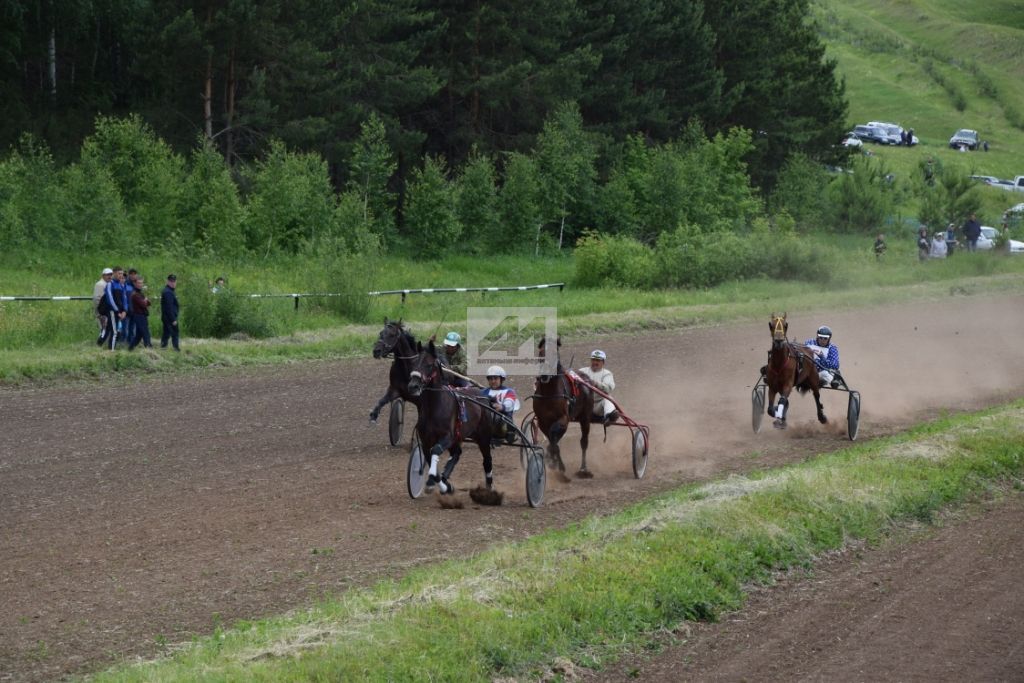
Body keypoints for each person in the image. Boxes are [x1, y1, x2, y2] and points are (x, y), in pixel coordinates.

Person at [481, 365, 520, 449]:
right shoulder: (484, 392)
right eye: (490, 379)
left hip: (503, 421)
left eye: (495, 378)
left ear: (501, 379)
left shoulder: (509, 391)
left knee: (498, 417)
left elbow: (510, 403)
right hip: (486, 420)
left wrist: (502, 407)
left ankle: (507, 434)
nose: (493, 381)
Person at [577, 350, 618, 425]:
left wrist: (596, 384)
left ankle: (609, 416)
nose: (595, 362)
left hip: (597, 406)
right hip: (582, 405)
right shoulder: (582, 371)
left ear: (603, 362)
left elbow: (608, 388)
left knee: (608, 399)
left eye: (598, 360)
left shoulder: (607, 374)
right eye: (593, 360)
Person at [104, 267, 128, 350]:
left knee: (117, 330)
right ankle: (111, 350)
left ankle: (110, 347)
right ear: (114, 274)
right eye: (119, 273)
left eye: (122, 273)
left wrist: (125, 311)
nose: (121, 275)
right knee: (114, 331)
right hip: (113, 311)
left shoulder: (122, 285)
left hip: (121, 312)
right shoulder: (110, 284)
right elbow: (110, 299)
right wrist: (117, 311)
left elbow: (125, 299)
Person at [128, 277, 153, 350]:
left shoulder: (139, 293)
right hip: (139, 316)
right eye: (138, 283)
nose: (140, 285)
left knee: (138, 335)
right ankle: (149, 349)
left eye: (141, 283)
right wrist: (145, 300)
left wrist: (145, 301)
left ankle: (130, 349)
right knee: (145, 332)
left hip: (142, 315)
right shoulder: (135, 294)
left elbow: (148, 303)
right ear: (134, 283)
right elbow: (144, 304)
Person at [93, 267, 113, 346]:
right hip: (102, 311)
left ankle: (102, 343)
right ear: (103, 275)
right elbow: (97, 299)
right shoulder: (100, 284)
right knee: (103, 328)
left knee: (106, 328)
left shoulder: (109, 283)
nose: (109, 276)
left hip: (107, 310)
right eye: (107, 275)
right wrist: (99, 313)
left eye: (110, 275)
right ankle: (99, 344)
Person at [160, 274, 180, 351]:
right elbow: (169, 307)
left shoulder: (169, 291)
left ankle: (163, 347)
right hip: (169, 317)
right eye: (171, 281)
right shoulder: (168, 292)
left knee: (166, 333)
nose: (173, 283)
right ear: (167, 281)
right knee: (175, 332)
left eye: (174, 281)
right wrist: (173, 319)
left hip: (167, 317)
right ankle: (176, 349)